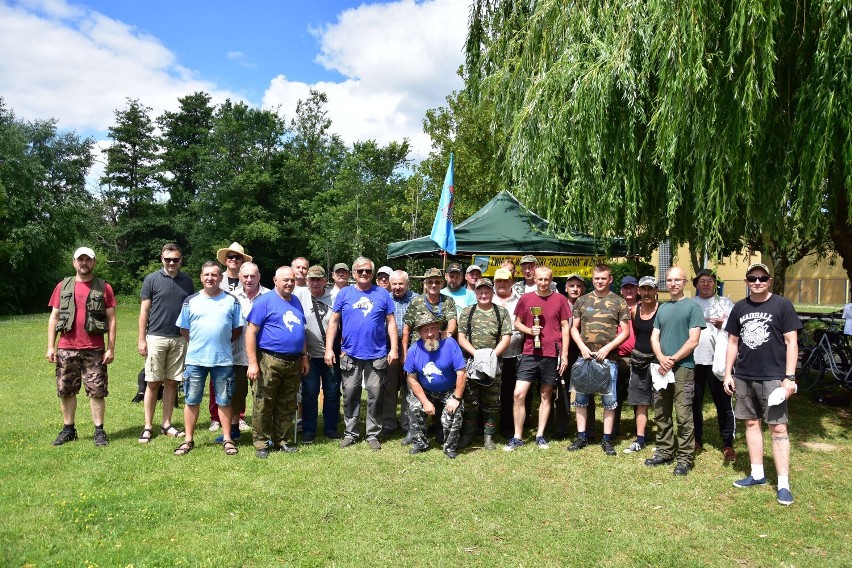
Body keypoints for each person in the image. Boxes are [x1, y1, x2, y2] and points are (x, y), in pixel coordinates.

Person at [723, 263, 801, 506]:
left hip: (772, 377)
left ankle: (783, 484)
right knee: (751, 422)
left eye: (762, 278)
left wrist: (789, 377)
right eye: (752, 278)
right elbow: (733, 342)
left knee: (778, 428)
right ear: (746, 281)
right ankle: (757, 474)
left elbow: (792, 342)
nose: (757, 282)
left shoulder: (782, 305)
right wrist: (728, 374)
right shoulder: (739, 307)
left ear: (769, 280)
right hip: (744, 376)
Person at [325, 256, 398, 450]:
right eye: (360, 271)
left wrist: (394, 349)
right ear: (353, 273)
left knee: (375, 394)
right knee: (350, 393)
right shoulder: (344, 294)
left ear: (372, 274)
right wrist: (329, 349)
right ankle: (351, 432)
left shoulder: (382, 294)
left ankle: (373, 433)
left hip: (377, 354)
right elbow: (333, 322)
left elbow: (391, 322)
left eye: (367, 271)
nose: (364, 274)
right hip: (350, 353)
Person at [46, 247, 117, 447]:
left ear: (94, 262)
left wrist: (110, 348)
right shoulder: (63, 286)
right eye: (80, 259)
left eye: (88, 259)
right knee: (66, 390)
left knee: (97, 391)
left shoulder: (104, 287)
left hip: (94, 348)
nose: (84, 263)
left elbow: (111, 320)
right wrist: (50, 346)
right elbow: (54, 316)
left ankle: (99, 431)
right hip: (66, 347)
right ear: (74, 262)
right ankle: (68, 430)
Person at [173, 261, 243, 456]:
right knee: (192, 399)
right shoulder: (191, 301)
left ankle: (227, 439)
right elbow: (183, 328)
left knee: (224, 400)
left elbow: (237, 328)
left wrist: (221, 341)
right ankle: (188, 440)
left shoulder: (231, 300)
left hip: (223, 359)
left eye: (214, 275)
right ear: (201, 278)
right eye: (207, 275)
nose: (210, 278)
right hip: (195, 360)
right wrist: (198, 343)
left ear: (221, 278)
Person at [644, 266, 705, 476]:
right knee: (661, 411)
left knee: (683, 414)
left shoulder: (692, 307)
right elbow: (654, 337)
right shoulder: (662, 309)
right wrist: (661, 357)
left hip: (683, 368)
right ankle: (664, 451)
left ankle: (685, 458)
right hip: (661, 367)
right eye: (669, 280)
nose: (673, 284)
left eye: (677, 280)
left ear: (685, 282)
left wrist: (672, 359)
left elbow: (694, 340)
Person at [505, 266, 571, 451]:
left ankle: (540, 434)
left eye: (546, 280)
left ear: (551, 280)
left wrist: (564, 354)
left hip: (551, 353)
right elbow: (516, 323)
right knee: (518, 394)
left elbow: (566, 327)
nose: (543, 283)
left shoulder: (560, 299)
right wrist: (529, 330)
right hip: (529, 352)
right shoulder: (526, 299)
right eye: (540, 279)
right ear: (534, 278)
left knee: (546, 394)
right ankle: (517, 436)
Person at [245, 266, 309, 457]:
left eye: (292, 280)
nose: (289, 283)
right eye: (285, 280)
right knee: (264, 402)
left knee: (288, 402)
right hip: (269, 360)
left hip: (294, 361)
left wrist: (304, 357)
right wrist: (253, 362)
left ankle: (282, 439)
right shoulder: (265, 302)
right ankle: (262, 442)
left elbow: (301, 331)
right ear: (275, 280)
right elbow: (251, 332)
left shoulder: (296, 301)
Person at [568, 264, 629, 456]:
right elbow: (573, 328)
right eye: (596, 278)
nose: (600, 281)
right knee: (581, 399)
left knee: (609, 401)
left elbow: (625, 331)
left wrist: (607, 348)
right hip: (584, 358)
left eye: (603, 278)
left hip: (608, 359)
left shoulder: (619, 302)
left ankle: (607, 439)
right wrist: (582, 347)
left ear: (610, 279)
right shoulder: (582, 301)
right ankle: (581, 437)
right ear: (592, 279)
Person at [137, 243, 194, 443]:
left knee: (172, 382)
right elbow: (144, 310)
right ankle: (147, 426)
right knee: (152, 382)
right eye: (168, 259)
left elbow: (190, 311)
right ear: (162, 259)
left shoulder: (187, 281)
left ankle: (166, 424)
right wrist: (141, 338)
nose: (171, 263)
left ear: (181, 260)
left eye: (175, 259)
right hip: (156, 337)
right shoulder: (151, 279)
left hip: (179, 338)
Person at [216, 262, 268, 442]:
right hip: (235, 354)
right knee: (235, 394)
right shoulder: (230, 297)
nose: (249, 280)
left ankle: (262, 430)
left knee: (261, 394)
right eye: (245, 276)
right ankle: (234, 429)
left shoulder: (269, 296)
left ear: (259, 277)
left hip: (261, 356)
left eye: (253, 276)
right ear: (239, 277)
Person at [457, 278, 512, 450]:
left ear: (492, 292)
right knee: (471, 398)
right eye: (480, 292)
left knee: (492, 400)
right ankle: (468, 434)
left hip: (493, 363)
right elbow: (461, 337)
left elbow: (506, 338)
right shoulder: (468, 312)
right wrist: (477, 355)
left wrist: (491, 357)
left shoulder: (501, 312)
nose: (483, 295)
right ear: (475, 293)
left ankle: (489, 437)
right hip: (472, 362)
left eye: (487, 292)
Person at [404, 312, 467, 458]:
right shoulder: (414, 350)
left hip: (449, 389)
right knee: (414, 406)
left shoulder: (450, 344)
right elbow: (412, 379)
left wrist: (456, 398)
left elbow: (462, 373)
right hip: (426, 390)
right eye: (425, 330)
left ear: (439, 328)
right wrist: (425, 402)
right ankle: (420, 443)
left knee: (455, 409)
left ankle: (450, 447)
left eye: (433, 328)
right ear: (420, 333)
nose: (430, 334)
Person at [691, 268, 736, 460]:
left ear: (715, 283)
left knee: (723, 403)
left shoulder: (725, 303)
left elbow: (736, 328)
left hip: (718, 362)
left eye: (710, 281)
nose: (706, 284)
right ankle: (696, 440)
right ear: (696, 284)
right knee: (694, 403)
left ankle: (728, 444)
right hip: (694, 360)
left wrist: (723, 325)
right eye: (702, 281)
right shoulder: (691, 304)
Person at [294, 265, 340, 443]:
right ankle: (309, 429)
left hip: (330, 354)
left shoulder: (335, 297)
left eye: (318, 279)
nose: (315, 283)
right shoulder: (299, 295)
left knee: (332, 392)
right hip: (309, 355)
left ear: (325, 281)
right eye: (311, 279)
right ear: (306, 280)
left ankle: (330, 427)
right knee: (310, 393)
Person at [209, 241, 251, 431]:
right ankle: (215, 417)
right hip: (220, 335)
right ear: (225, 261)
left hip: (242, 337)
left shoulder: (248, 279)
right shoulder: (217, 278)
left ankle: (239, 416)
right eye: (231, 257)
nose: (234, 260)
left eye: (238, 257)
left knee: (240, 378)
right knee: (217, 378)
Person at [623, 276, 659, 454]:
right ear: (639, 291)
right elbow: (637, 333)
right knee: (640, 401)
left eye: (650, 289)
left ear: (656, 291)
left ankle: (663, 439)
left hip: (658, 360)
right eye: (643, 289)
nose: (646, 293)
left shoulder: (663, 309)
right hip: (639, 360)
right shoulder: (634, 310)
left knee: (661, 401)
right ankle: (640, 439)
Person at [382, 270, 417, 438]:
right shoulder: (385, 298)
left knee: (409, 387)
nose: (397, 287)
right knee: (390, 387)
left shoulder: (416, 299)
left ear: (407, 284)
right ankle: (389, 422)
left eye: (400, 284)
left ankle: (407, 422)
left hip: (413, 347)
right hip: (390, 347)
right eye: (394, 284)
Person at [494, 268, 527, 440]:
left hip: (514, 354)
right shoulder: (487, 297)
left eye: (505, 281)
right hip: (492, 354)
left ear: (511, 282)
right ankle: (486, 426)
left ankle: (507, 427)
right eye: (498, 281)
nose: (502, 284)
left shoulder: (521, 300)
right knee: (489, 391)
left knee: (509, 392)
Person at [613, 275, 639, 437]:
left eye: (632, 287)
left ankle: (640, 430)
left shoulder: (644, 307)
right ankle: (613, 430)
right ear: (621, 290)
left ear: (637, 289)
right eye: (625, 287)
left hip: (638, 358)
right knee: (616, 395)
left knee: (638, 395)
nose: (629, 290)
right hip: (618, 357)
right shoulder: (615, 306)